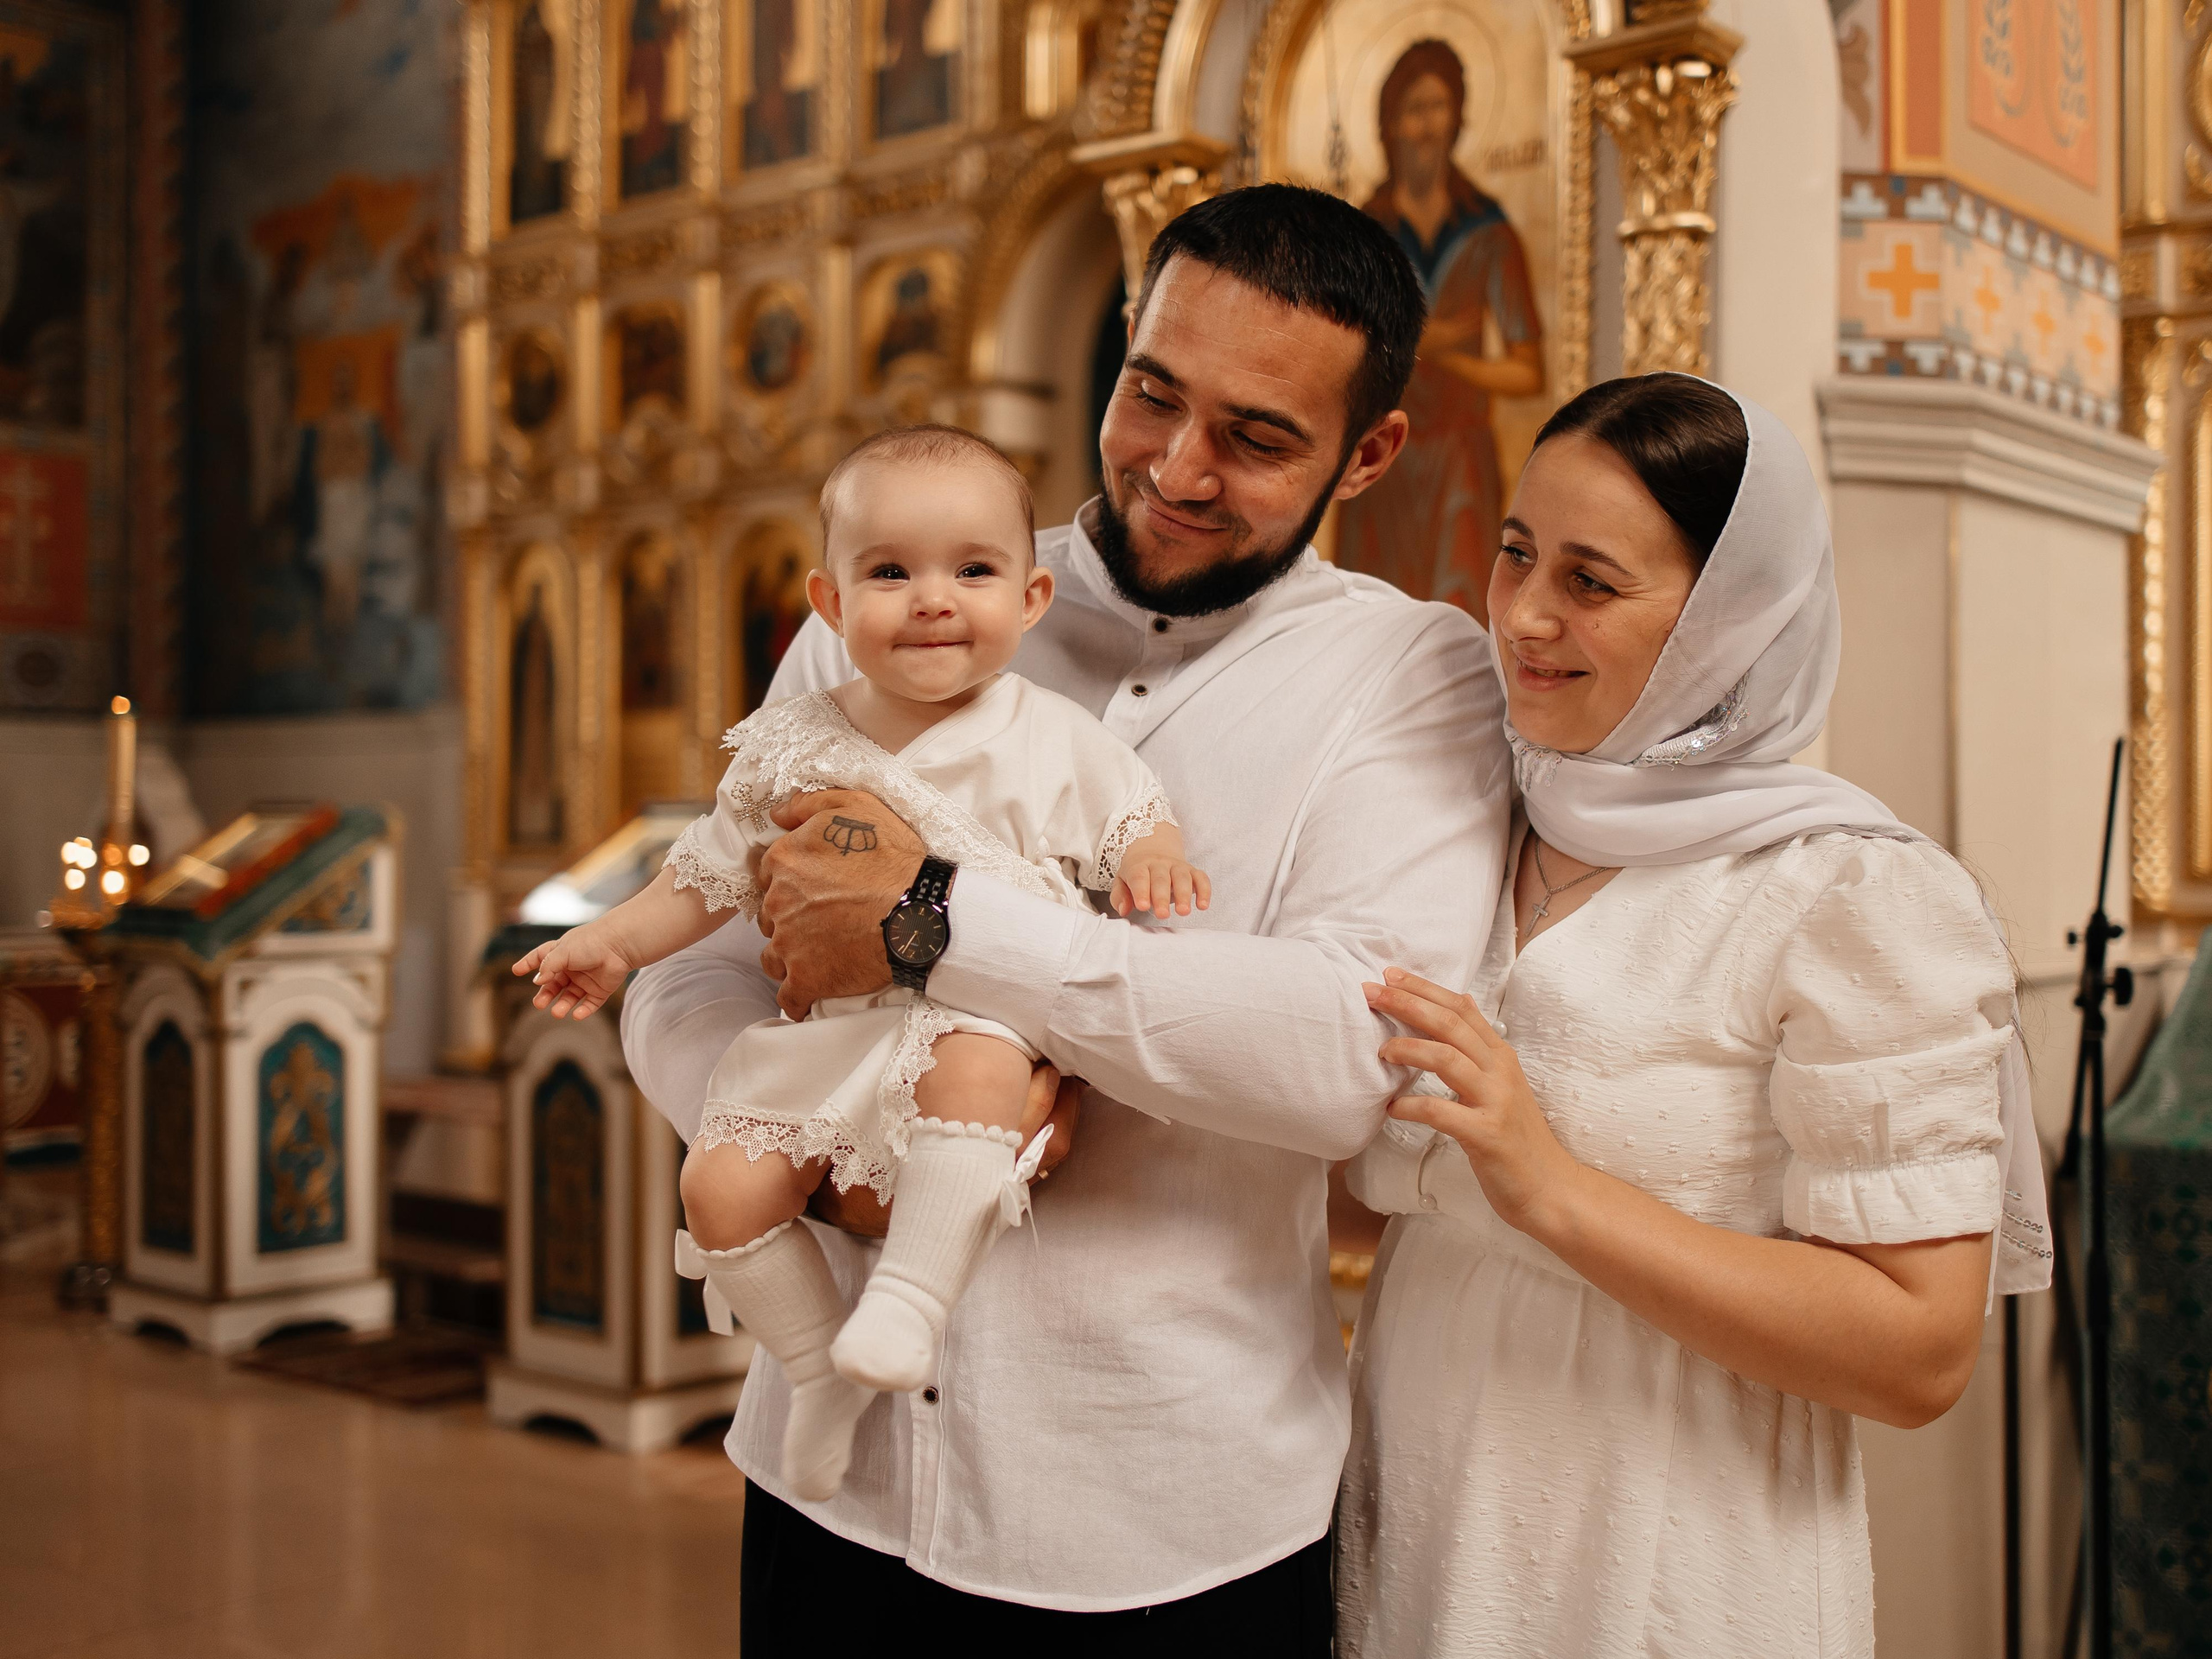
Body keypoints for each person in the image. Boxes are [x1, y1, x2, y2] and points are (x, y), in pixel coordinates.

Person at [619, 183, 1510, 1649]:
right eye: (1151, 392)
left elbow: (1343, 1059)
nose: (1176, 465)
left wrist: (928, 921)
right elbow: (694, 969)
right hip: (825, 1485)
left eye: (1259, 436)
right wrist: (824, 1148)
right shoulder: (898, 592)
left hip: (1163, 1514)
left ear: (1374, 454)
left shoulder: (1417, 678)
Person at [1336, 373, 2053, 1657]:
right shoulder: (1455, 820)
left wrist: (1550, 1186)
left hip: (1669, 1553)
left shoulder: (1848, 891)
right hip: (1423, 1510)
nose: (1526, 616)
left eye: (1593, 582)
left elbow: (1918, 1351)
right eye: (1515, 554)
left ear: (1731, 618)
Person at [515, 425, 1206, 1501]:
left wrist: (1153, 856)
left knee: (979, 1073)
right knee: (721, 1185)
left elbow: (1129, 817)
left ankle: (914, 1301)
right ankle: (813, 1363)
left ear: (1029, 599)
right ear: (830, 605)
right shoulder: (797, 740)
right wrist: (606, 942)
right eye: (890, 572)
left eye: (971, 571)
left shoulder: (1050, 734)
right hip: (833, 1026)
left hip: (969, 1008)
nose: (932, 599)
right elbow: (704, 874)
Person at [1335, 38, 1543, 620]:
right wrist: (1429, 343)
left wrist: (1437, 355)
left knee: (1462, 621)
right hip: (1378, 466)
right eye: (1413, 110)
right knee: (1369, 623)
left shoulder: (1488, 232)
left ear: (1458, 119)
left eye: (1438, 107)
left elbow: (1528, 371)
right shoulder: (1362, 231)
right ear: (1389, 125)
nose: (1426, 126)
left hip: (1460, 460)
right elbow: (1333, 355)